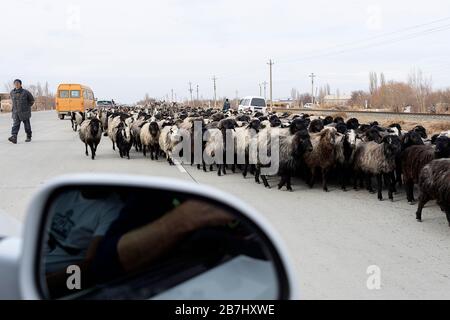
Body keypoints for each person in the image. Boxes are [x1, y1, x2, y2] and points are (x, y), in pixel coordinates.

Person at [8, 79, 34, 144]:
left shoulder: (26, 92)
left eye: (18, 83)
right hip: (16, 112)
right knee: (15, 125)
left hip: (25, 112)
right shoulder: (12, 92)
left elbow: (32, 101)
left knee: (27, 125)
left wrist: (27, 107)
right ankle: (14, 137)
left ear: (20, 84)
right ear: (14, 84)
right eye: (15, 83)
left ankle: (28, 136)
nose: (16, 84)